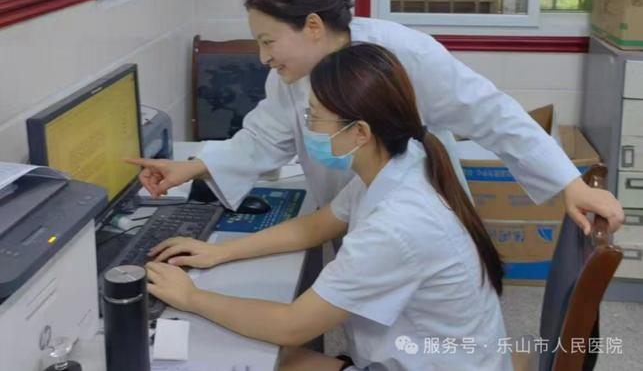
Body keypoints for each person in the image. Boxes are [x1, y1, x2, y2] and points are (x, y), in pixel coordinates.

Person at [129, 0, 623, 234]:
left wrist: (567, 183)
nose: (263, 57)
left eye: (267, 41)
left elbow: (491, 113)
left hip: (417, 217)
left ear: (313, 26)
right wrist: (192, 167)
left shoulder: (404, 54)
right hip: (348, 213)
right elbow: (263, 136)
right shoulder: (290, 76)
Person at [145, 43, 512, 370]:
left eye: (315, 117)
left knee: (249, 356)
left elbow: (292, 326)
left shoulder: (398, 224)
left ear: (360, 132)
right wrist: (220, 252)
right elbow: (318, 224)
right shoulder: (399, 161)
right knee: (260, 350)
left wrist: (191, 297)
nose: (309, 128)